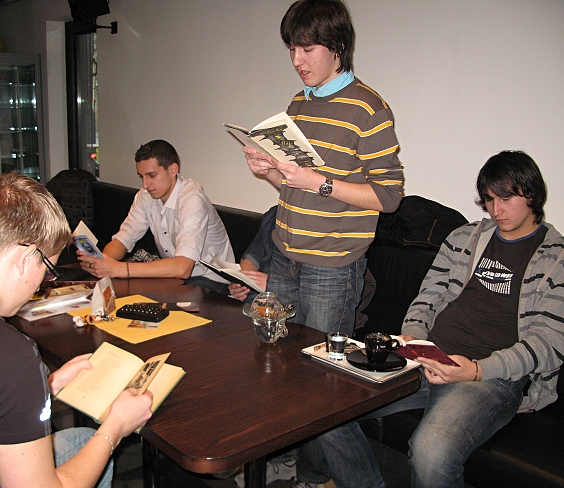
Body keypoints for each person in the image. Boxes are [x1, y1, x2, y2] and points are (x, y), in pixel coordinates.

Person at [310, 150, 564, 488]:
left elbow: (548, 343)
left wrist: (476, 370)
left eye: (506, 198)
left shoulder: (556, 259)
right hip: (428, 357)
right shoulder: (464, 238)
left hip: (490, 377)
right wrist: (414, 337)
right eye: (489, 200)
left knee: (431, 453)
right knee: (324, 409)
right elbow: (427, 297)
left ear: (531, 195)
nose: (496, 210)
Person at [238, 1, 404, 486]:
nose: (297, 59)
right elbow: (293, 188)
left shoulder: (368, 108)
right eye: (292, 48)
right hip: (285, 257)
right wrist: (269, 172)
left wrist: (320, 182)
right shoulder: (298, 104)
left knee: (326, 387)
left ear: (337, 47)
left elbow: (389, 197)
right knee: (284, 371)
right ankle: (307, 474)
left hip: (333, 267)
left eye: (307, 48)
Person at [0, 173, 154, 487]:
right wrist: (116, 428)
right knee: (91, 441)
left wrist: (47, 387)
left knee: (81, 439)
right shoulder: (9, 354)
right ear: (25, 258)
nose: (42, 283)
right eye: (47, 269)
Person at [79, 139, 234, 295]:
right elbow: (123, 239)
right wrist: (101, 260)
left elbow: (183, 267)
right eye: (142, 177)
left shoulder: (192, 199)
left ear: (172, 170)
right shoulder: (145, 196)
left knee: (142, 296)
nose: (145, 185)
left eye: (151, 175)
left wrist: (117, 268)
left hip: (212, 281)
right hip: (177, 277)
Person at [228, 205, 277, 303]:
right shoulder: (275, 213)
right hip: (256, 295)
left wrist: (275, 284)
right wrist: (240, 283)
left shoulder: (308, 222)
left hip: (287, 301)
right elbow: (252, 258)